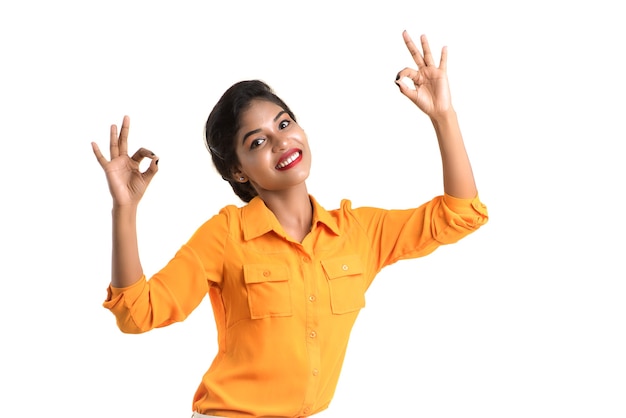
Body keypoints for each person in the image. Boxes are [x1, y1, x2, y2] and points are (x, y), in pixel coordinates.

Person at [91, 30, 488, 418]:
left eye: (283, 124)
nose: (281, 142)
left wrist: (443, 115)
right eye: (257, 142)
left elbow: (460, 215)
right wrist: (124, 209)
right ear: (238, 172)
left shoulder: (358, 233)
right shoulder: (227, 235)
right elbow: (137, 313)